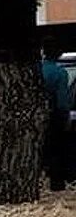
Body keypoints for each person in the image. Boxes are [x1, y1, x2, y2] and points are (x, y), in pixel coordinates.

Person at [41, 37, 70, 191]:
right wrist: (65, 118)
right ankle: (57, 184)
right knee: (57, 150)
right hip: (54, 116)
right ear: (59, 54)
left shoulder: (35, 70)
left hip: (35, 116)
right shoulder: (60, 73)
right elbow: (62, 101)